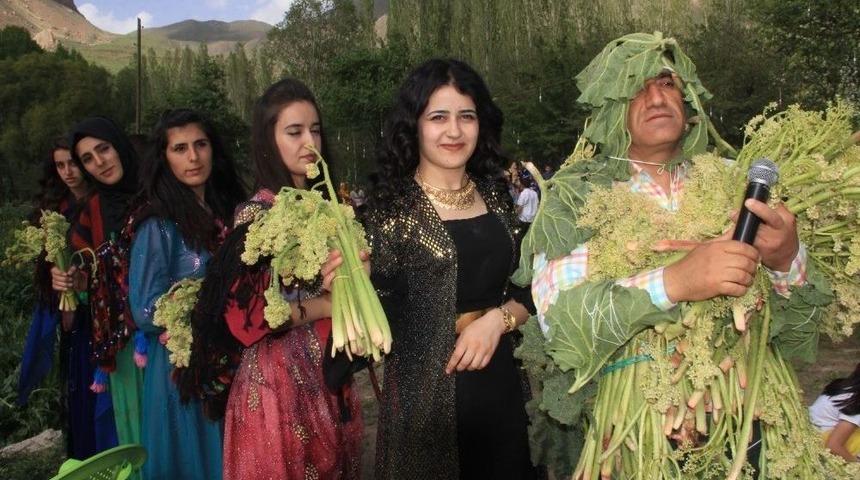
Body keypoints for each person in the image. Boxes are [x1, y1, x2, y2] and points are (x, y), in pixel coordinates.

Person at [526, 33, 809, 477]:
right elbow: (558, 320)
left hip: (752, 419)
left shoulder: (735, 181)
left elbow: (801, 322)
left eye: (666, 83)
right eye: (636, 87)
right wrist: (675, 282)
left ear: (688, 98)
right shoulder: (576, 196)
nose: (656, 98)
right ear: (610, 106)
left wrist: (786, 260)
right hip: (643, 439)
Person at [175, 78, 362, 479]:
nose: (309, 142)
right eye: (294, 132)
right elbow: (248, 317)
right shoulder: (257, 214)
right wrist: (328, 303)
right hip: (280, 386)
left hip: (330, 375)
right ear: (268, 141)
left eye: (315, 130)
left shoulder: (329, 206)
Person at [366, 58, 538, 479]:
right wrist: (353, 281)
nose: (454, 131)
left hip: (500, 383)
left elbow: (533, 287)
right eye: (438, 117)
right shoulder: (389, 211)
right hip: (427, 401)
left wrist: (498, 321)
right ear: (414, 125)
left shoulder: (497, 197)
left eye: (467, 116)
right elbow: (378, 320)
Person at [128, 109, 246, 480]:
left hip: (231, 357)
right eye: (180, 148)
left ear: (214, 149)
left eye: (200, 144)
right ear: (164, 158)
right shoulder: (158, 224)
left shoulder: (228, 211)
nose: (193, 157)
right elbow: (146, 308)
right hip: (183, 369)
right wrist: (203, 305)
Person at [52, 116, 144, 455]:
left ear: (118, 145)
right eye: (88, 159)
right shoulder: (92, 209)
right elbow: (86, 273)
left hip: (168, 340)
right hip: (121, 348)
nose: (100, 162)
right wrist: (70, 280)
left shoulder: (158, 192)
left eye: (104, 149)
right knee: (132, 436)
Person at [18, 137, 101, 459]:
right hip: (71, 316)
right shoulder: (56, 210)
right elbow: (44, 265)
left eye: (73, 163)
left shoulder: (102, 204)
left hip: (100, 313)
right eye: (60, 165)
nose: (68, 172)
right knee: (77, 388)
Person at [810, 363, 860, 462]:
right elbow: (832, 446)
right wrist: (855, 463)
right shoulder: (856, 403)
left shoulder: (845, 385)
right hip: (821, 442)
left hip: (811, 429)